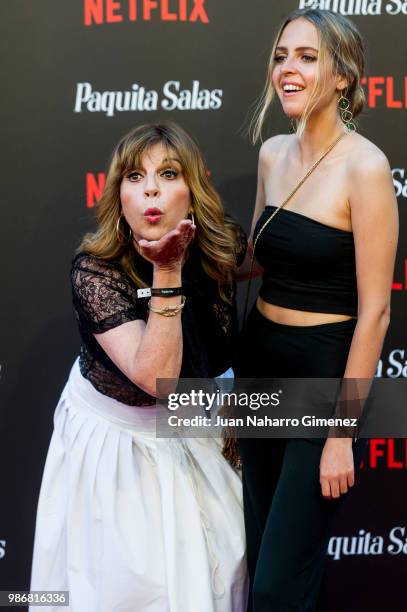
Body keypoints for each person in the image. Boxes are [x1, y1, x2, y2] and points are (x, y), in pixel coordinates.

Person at [30, 122, 248, 612]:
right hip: (119, 450)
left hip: (197, 434)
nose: (150, 187)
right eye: (134, 176)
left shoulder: (220, 246)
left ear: (192, 193)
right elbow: (156, 381)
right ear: (119, 198)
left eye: (168, 173)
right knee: (130, 592)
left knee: (222, 580)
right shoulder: (95, 269)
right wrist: (167, 271)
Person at [236, 8, 398, 612]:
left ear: (343, 78)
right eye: (282, 56)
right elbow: (259, 258)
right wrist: (178, 251)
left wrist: (340, 433)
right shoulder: (273, 153)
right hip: (260, 365)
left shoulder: (366, 167)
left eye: (307, 57)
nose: (288, 69)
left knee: (279, 585)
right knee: (269, 564)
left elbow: (376, 313)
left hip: (323, 377)